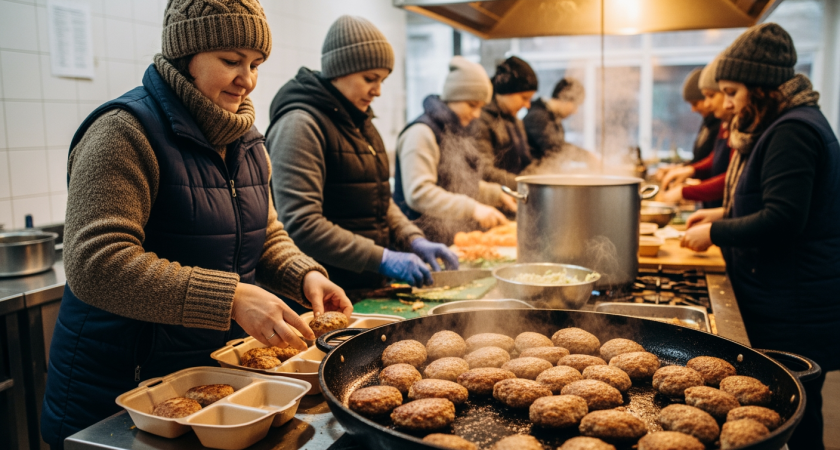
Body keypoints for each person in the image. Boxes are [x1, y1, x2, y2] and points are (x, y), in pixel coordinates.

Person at [41, 2, 353, 448]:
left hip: (208, 389)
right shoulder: (124, 132)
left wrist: (305, 275)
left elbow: (265, 234)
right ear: (186, 56)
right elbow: (96, 263)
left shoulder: (246, 139)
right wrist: (229, 296)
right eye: (231, 61)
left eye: (255, 63)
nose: (248, 79)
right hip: (119, 399)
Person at [681, 23, 840, 450]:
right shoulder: (783, 124)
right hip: (785, 292)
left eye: (733, 92)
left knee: (796, 406)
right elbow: (771, 200)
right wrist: (725, 211)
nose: (728, 105)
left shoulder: (793, 130)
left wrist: (716, 229)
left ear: (762, 87)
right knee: (791, 403)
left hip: (795, 300)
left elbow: (784, 219)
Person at [266, 16, 458, 291]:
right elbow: (302, 224)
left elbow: (379, 198)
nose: (378, 91)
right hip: (323, 293)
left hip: (364, 286)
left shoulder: (360, 123)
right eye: (370, 79)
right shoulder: (300, 126)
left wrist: (413, 239)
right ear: (339, 69)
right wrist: (381, 257)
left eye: (382, 80)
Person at [393, 57, 516, 245]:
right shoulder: (421, 133)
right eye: (472, 105)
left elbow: (458, 183)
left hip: (450, 241)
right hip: (421, 244)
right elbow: (419, 193)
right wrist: (472, 208)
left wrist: (495, 194)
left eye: (481, 107)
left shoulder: (455, 131)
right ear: (453, 97)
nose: (476, 114)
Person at [659, 57, 733, 207]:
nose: (706, 103)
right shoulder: (722, 124)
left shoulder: (726, 123)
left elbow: (734, 179)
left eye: (711, 96)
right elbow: (715, 159)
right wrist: (689, 169)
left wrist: (685, 191)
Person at [469, 56, 538, 189]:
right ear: (507, 91)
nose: (528, 105)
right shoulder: (481, 120)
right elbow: (485, 171)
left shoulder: (515, 121)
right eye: (524, 98)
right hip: (497, 201)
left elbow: (526, 162)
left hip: (517, 196)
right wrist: (526, 185)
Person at [523, 76, 586, 160]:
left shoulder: (553, 117)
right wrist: (588, 157)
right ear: (564, 97)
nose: (575, 111)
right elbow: (556, 149)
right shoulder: (538, 117)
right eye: (575, 105)